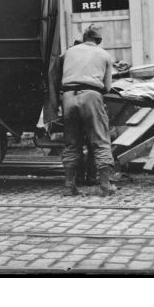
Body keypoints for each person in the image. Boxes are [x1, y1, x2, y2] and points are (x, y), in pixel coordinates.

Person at [56, 26, 116, 196]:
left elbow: (58, 73)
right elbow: (108, 88)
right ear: (99, 40)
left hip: (68, 96)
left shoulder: (69, 52)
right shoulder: (104, 55)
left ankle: (69, 185)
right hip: (91, 95)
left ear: (83, 38)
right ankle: (105, 186)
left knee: (71, 142)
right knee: (101, 140)